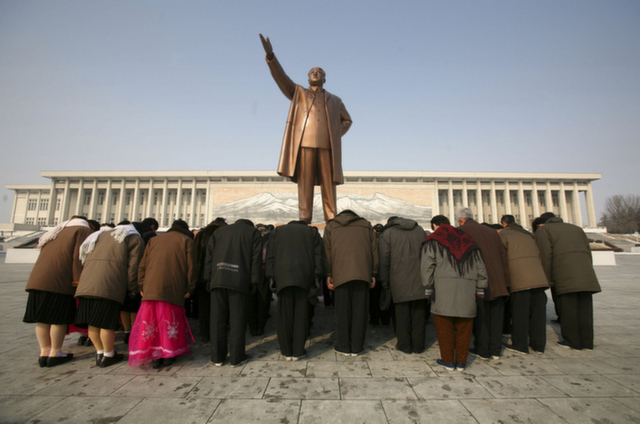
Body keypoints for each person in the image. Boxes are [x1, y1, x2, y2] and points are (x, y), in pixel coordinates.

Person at [260, 34, 352, 223]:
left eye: (319, 72)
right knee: (305, 184)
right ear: (308, 77)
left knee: (328, 185)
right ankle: (304, 219)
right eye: (312, 71)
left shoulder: (335, 100)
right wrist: (271, 58)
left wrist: (334, 134)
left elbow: (347, 121)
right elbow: (282, 79)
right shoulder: (298, 93)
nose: (315, 72)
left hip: (327, 146)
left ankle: (332, 220)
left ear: (324, 79)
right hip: (304, 144)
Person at [23, 216, 93, 367]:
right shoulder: (82, 230)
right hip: (59, 280)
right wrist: (78, 281)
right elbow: (78, 257)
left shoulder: (56, 231)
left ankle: (44, 352)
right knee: (58, 318)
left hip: (38, 279)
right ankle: (55, 352)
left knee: (43, 318)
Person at [421, 215, 488, 371]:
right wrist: (481, 286)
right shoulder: (468, 240)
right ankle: (462, 361)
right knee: (465, 327)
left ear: (435, 225)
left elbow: (427, 265)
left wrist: (428, 284)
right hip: (468, 288)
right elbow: (480, 266)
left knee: (444, 325)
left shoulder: (434, 240)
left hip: (443, 289)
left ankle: (448, 360)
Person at [128, 220, 197, 369]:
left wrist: (141, 284)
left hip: (151, 287)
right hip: (173, 286)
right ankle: (168, 354)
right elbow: (191, 267)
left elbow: (143, 264)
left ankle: (154, 355)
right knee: (169, 320)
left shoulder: (154, 240)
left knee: (152, 322)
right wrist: (190, 287)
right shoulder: (186, 241)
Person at [75, 223, 144, 367]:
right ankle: (108, 354)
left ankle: (99, 352)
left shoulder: (100, 235)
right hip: (108, 284)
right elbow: (134, 265)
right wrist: (133, 287)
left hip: (87, 282)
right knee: (106, 322)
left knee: (93, 322)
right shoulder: (133, 238)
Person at [534, 213, 601, 350]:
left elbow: (546, 255)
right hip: (585, 272)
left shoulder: (544, 230)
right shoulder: (577, 229)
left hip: (564, 274)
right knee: (585, 309)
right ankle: (587, 342)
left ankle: (572, 341)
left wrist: (545, 279)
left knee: (568, 309)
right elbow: (588, 251)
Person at [205, 219, 262, 367]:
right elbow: (256, 260)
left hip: (218, 278)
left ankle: (217, 357)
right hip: (239, 281)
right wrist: (255, 282)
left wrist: (208, 278)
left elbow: (209, 258)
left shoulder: (219, 231)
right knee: (237, 320)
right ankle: (237, 357)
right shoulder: (253, 233)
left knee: (217, 319)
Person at [266, 220, 324, 360]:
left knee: (284, 316)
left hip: (283, 278)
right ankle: (298, 351)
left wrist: (270, 276)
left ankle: (286, 351)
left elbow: (270, 256)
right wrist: (317, 276)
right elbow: (318, 257)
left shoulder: (277, 232)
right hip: (304, 278)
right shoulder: (312, 233)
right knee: (301, 315)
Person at [457, 207, 509, 360]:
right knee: (496, 317)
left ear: (461, 220)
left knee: (481, 316)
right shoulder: (491, 231)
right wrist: (506, 281)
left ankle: (482, 349)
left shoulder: (461, 232)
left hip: (477, 280)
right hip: (498, 280)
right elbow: (503, 257)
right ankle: (495, 350)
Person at [324, 210, 378, 356]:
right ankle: (357, 346)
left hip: (340, 275)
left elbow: (327, 252)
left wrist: (329, 274)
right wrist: (373, 273)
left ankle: (343, 346)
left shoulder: (332, 226)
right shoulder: (366, 225)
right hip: (362, 274)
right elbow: (374, 250)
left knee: (342, 312)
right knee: (360, 312)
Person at [499, 215, 549, 355]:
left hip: (520, 278)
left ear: (504, 224)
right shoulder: (528, 235)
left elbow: (501, 258)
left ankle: (520, 344)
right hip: (538, 278)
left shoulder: (504, 235)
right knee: (538, 313)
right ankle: (539, 345)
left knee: (520, 313)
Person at [378, 216, 429, 354]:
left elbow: (384, 259)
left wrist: (384, 280)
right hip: (420, 278)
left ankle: (405, 345)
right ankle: (418, 345)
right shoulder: (419, 231)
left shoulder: (388, 234)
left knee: (401, 315)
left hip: (398, 279)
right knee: (419, 314)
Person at [193, 217, 227, 342]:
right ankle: (217, 332)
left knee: (204, 307)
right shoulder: (222, 234)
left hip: (202, 275)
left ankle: (204, 333)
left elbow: (195, 255)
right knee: (219, 306)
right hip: (219, 274)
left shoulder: (201, 235)